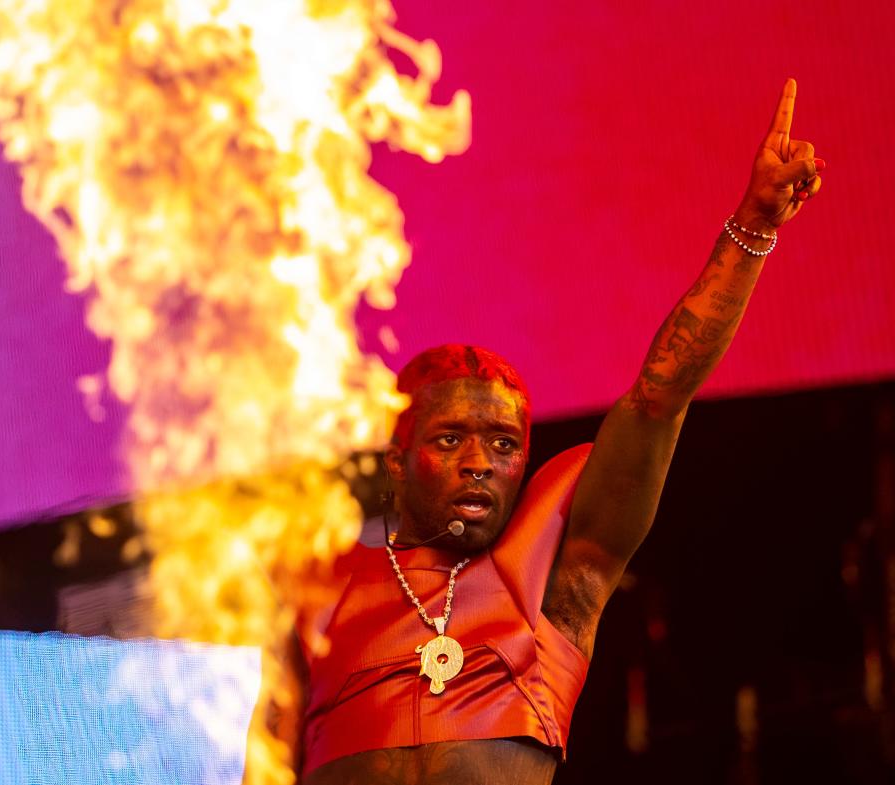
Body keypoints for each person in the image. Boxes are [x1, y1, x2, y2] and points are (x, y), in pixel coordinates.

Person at [290, 78, 824, 785]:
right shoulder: (316, 592)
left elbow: (659, 398)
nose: (479, 461)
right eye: (450, 439)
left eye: (504, 444)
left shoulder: (552, 580)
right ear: (398, 458)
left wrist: (754, 224)